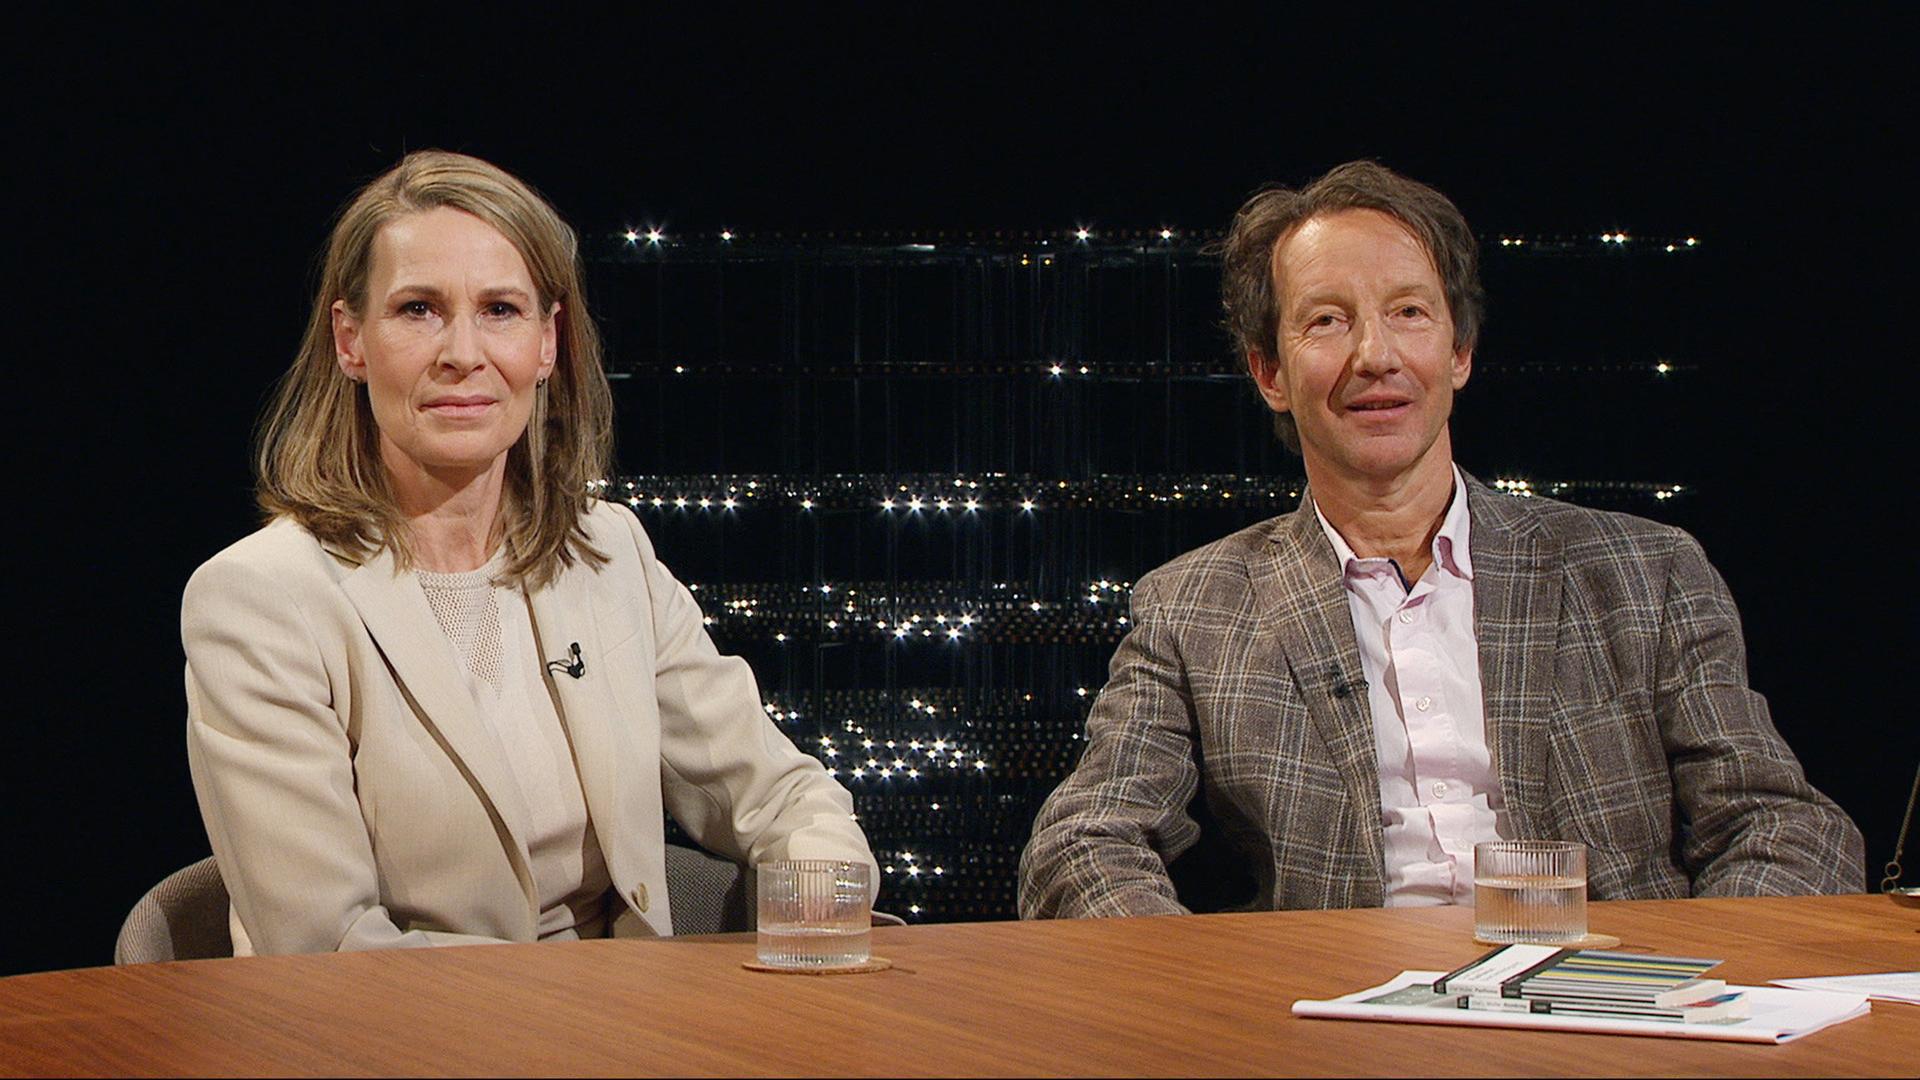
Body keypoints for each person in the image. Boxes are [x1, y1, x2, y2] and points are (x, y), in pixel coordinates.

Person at [1019, 160, 1863, 918]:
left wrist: (1693, 1000)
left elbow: (1784, 827)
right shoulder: (1192, 606)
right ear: (1269, 373)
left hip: (1618, 1018)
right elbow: (1081, 844)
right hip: (1328, 1029)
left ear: (1459, 350)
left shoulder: (1647, 572)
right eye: (1326, 322)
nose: (1374, 355)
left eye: (1410, 313)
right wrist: (1205, 1001)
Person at [184, 151, 875, 955]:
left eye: (501, 310)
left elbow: (783, 795)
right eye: (418, 309)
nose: (463, 353)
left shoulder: (605, 552)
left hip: (629, 1030)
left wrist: (817, 924)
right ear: (350, 340)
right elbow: (330, 945)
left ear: (547, 343)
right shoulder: (261, 600)